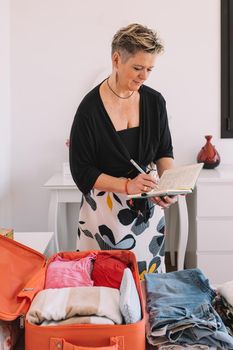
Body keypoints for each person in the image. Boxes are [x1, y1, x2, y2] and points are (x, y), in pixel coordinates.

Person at [69, 23, 176, 279]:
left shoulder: (154, 102)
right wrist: (127, 186)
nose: (144, 76)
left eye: (149, 69)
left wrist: (168, 185)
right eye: (137, 68)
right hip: (103, 215)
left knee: (148, 290)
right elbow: (81, 171)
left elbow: (164, 151)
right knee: (105, 290)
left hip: (147, 215)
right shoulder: (90, 110)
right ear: (116, 59)